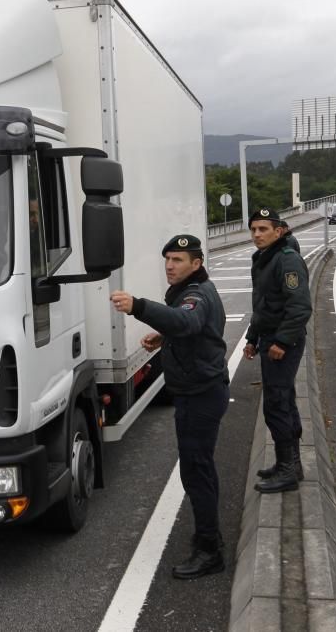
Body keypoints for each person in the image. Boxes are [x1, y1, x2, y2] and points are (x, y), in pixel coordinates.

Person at [110, 234, 230, 580]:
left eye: (178, 260)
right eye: (167, 259)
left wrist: (138, 306)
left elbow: (189, 321)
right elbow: (192, 330)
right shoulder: (193, 291)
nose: (169, 266)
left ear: (197, 263)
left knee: (197, 471)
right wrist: (164, 337)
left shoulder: (195, 294)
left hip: (201, 395)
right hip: (198, 391)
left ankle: (209, 550)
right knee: (198, 469)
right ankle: (208, 538)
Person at [243, 208, 312, 494]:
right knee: (284, 400)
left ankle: (287, 470)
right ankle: (291, 464)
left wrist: (281, 342)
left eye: (263, 229)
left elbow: (300, 307)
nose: (257, 234)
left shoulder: (287, 260)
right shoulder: (264, 259)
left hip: (284, 342)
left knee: (276, 404)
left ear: (279, 231)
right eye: (254, 229)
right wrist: (251, 337)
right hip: (270, 337)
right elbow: (263, 305)